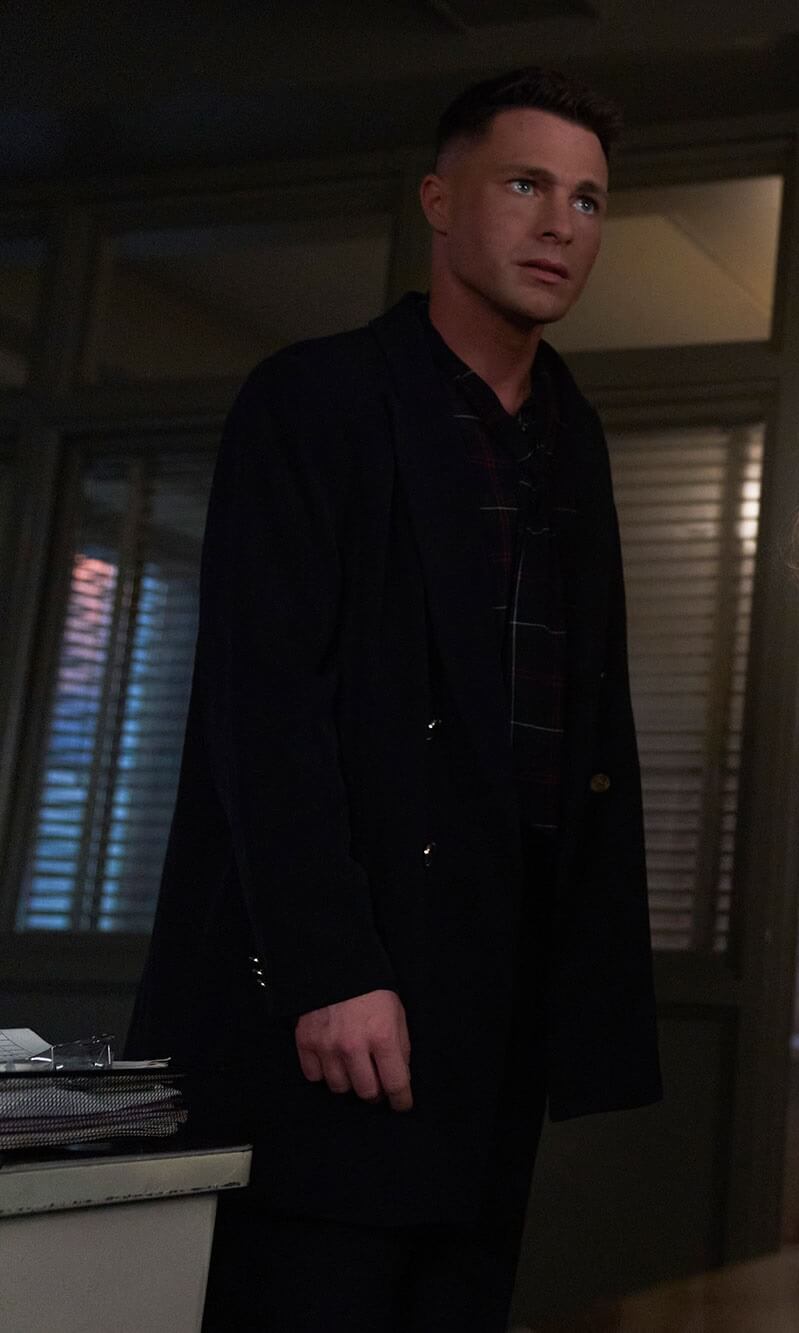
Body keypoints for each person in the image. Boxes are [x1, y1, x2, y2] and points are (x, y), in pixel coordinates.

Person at [126, 67, 660, 1330]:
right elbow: (264, 710)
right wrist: (328, 965)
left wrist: (578, 1002)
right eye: (525, 184)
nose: (559, 224)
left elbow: (582, 736)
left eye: (587, 200)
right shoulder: (314, 399)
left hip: (495, 1007)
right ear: (437, 199)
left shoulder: (570, 437)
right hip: (330, 996)